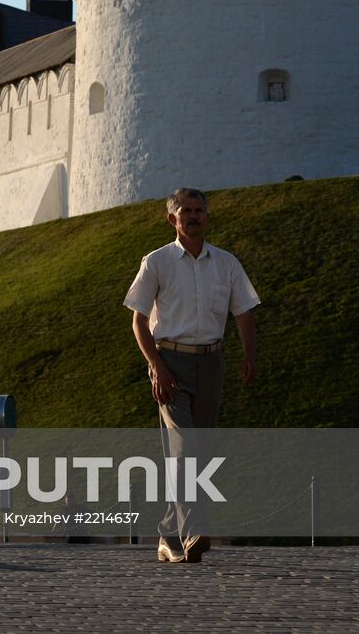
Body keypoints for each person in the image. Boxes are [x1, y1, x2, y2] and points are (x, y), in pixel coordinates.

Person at [125, 187, 259, 563]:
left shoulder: (226, 263)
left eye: (200, 210)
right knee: (184, 449)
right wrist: (157, 366)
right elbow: (138, 321)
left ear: (207, 216)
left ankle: (168, 533)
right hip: (170, 362)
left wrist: (250, 356)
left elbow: (244, 311)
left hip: (211, 363)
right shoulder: (156, 262)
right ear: (173, 219)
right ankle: (195, 531)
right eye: (187, 211)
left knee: (198, 451)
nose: (195, 216)